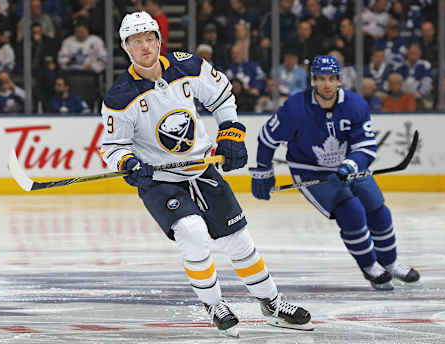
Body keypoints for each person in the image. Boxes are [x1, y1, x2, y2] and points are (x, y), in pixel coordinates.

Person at [100, 11, 312, 336]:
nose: (145, 46)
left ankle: (272, 303)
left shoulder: (187, 65)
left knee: (239, 241)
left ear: (159, 40)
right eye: (136, 41)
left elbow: (222, 94)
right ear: (126, 48)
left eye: (149, 38)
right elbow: (113, 147)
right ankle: (214, 304)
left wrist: (230, 132)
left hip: (202, 170)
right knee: (193, 232)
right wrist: (128, 164)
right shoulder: (119, 96)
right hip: (161, 182)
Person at [250, 55, 420, 291]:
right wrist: (262, 172)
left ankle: (390, 263)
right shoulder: (295, 109)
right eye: (321, 79)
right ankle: (370, 266)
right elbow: (267, 138)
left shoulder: (355, 105)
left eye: (332, 78)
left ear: (339, 80)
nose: (327, 84)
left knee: (378, 209)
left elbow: (366, 146)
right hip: (310, 171)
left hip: (349, 167)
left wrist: (352, 164)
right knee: (351, 211)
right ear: (313, 81)